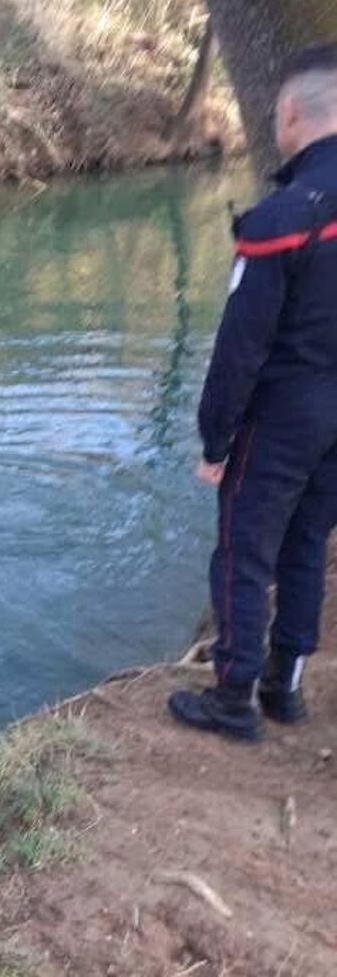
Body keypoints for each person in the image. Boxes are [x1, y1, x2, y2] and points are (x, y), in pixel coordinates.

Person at [170, 43, 337, 742]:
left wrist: (216, 439)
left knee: (243, 548)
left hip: (285, 411)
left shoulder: (283, 217)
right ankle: (285, 688)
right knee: (307, 542)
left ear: (292, 112)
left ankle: (233, 696)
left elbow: (240, 348)